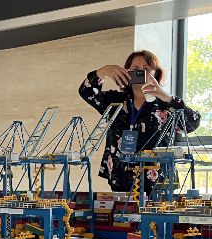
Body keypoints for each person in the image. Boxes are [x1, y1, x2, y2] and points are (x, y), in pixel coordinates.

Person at [79, 50, 201, 194]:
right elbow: (86, 91)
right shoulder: (115, 101)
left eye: (146, 69)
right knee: (121, 209)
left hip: (159, 181)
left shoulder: (166, 104)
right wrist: (104, 71)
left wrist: (167, 97)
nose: (140, 73)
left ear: (156, 73)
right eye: (135, 69)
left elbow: (192, 124)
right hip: (120, 178)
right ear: (126, 73)